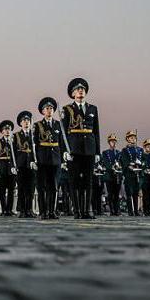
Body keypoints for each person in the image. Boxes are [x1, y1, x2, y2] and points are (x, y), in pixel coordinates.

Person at [61, 78, 101, 220]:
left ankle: (87, 210)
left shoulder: (93, 108)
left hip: (89, 148)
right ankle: (77, 210)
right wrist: (64, 151)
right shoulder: (67, 109)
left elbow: (96, 131)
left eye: (83, 89)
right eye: (78, 89)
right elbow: (63, 132)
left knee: (88, 181)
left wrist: (97, 152)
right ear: (72, 94)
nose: (81, 91)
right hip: (74, 149)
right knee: (74, 181)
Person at [33, 97, 66, 220]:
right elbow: (34, 143)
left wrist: (63, 159)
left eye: (51, 108)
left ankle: (52, 211)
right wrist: (34, 159)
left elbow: (62, 143)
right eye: (47, 108)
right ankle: (43, 211)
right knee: (42, 187)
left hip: (56, 159)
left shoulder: (58, 124)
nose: (49, 110)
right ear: (42, 111)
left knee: (54, 186)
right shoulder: (37, 125)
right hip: (42, 159)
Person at [14, 111, 37, 218]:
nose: (26, 122)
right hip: (21, 165)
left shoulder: (35, 135)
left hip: (32, 165)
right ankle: (22, 210)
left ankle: (29, 209)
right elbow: (13, 152)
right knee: (22, 188)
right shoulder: (16, 135)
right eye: (24, 121)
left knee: (31, 189)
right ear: (20, 123)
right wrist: (13, 166)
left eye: (28, 120)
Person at [0, 120, 17, 216]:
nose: (7, 131)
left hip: (12, 171)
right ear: (2, 131)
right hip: (2, 170)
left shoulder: (14, 143)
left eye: (9, 129)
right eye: (5, 129)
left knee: (11, 191)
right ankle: (4, 210)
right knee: (2, 191)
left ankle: (9, 210)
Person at [121, 130, 143, 216]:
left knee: (136, 192)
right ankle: (130, 211)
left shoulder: (140, 149)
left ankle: (136, 211)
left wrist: (141, 164)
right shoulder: (125, 150)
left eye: (134, 137)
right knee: (129, 193)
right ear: (127, 139)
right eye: (131, 137)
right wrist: (131, 166)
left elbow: (143, 160)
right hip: (129, 174)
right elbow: (124, 161)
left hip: (137, 174)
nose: (133, 139)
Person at [101, 134, 123, 216]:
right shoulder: (105, 153)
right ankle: (112, 210)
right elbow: (106, 163)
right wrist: (112, 167)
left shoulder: (119, 153)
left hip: (117, 176)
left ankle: (117, 210)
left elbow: (121, 162)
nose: (113, 143)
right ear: (109, 142)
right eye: (111, 141)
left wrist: (119, 167)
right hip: (109, 176)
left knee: (117, 194)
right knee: (110, 194)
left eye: (114, 141)